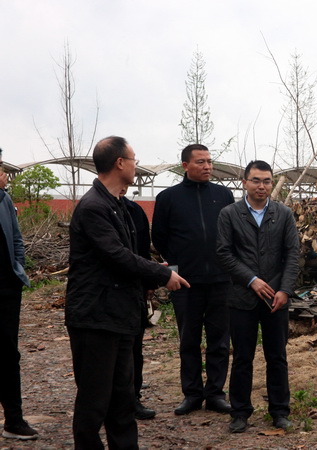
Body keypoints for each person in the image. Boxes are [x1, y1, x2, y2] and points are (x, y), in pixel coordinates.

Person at [66, 136, 189, 449]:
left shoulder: (118, 205)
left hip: (120, 315)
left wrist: (152, 271)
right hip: (95, 318)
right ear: (119, 163)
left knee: (123, 399)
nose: (136, 165)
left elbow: (131, 256)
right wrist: (162, 274)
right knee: (95, 401)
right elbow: (116, 255)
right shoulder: (94, 207)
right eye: (134, 159)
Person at [215, 160, 299, 433]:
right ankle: (240, 412)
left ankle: (280, 411)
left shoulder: (283, 214)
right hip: (242, 297)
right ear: (244, 183)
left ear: (271, 184)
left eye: (266, 181)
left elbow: (292, 254)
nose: (261, 186)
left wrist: (285, 290)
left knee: (277, 357)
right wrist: (251, 280)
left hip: (276, 298)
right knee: (242, 357)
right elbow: (224, 253)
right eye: (255, 180)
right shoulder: (230, 214)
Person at [152, 144, 234, 416]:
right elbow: (159, 237)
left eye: (209, 161)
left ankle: (216, 394)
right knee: (189, 340)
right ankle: (192, 394)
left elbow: (231, 232)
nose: (207, 166)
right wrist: (178, 263)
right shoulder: (168, 198)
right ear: (185, 166)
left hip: (221, 279)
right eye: (200, 162)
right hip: (185, 281)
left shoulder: (223, 195)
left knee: (219, 341)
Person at [0, 149, 39, 441]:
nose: (2, 173)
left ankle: (14, 420)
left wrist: (18, 268)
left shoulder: (4, 199)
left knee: (8, 355)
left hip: (6, 289)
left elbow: (16, 238)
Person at [120, 188, 156, 420]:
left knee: (135, 347)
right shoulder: (96, 209)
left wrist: (150, 282)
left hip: (137, 290)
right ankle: (112, 401)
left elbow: (144, 250)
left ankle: (133, 398)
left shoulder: (135, 211)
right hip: (110, 293)